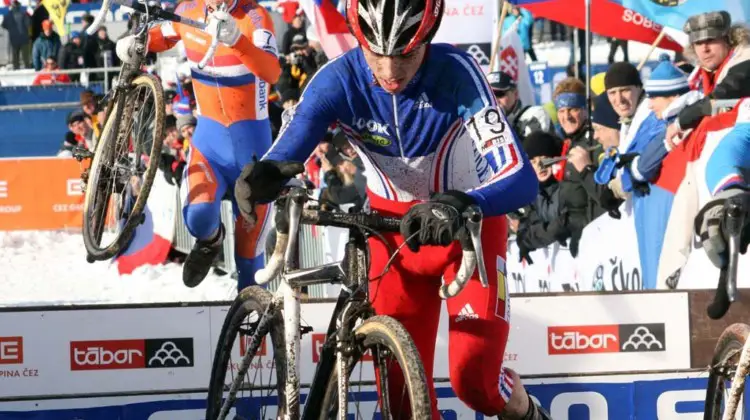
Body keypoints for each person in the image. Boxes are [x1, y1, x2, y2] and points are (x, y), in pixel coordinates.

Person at [234, 0, 547, 418]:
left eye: (405, 54)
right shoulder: (338, 80)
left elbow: (521, 178)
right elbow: (286, 151)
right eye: (375, 54)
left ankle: (527, 410)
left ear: (427, 41)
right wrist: (261, 177)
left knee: (476, 384)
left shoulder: (457, 74)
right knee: (401, 403)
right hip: (391, 235)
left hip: (465, 230)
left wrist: (465, 203)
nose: (389, 71)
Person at [115, 0, 281, 289]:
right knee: (198, 218)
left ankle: (252, 329)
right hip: (209, 146)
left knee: (249, 267)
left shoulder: (255, 16)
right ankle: (211, 241)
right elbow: (164, 35)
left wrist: (237, 41)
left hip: (254, 155)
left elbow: (272, 72)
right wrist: (136, 42)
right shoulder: (187, 11)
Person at [666, 11, 750, 143]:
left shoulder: (745, 59)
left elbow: (721, 98)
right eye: (698, 43)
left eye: (710, 40)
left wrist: (682, 121)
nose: (705, 49)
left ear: (728, 39)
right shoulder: (704, 74)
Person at [487, 70, 553, 139]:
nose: (494, 100)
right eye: (488, 95)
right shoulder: (480, 122)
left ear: (515, 94)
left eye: (499, 94)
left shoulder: (534, 115)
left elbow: (536, 148)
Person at [2, 0, 31, 69]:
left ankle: (16, 70)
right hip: (24, 38)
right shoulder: (24, 14)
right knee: (26, 58)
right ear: (19, 6)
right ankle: (27, 70)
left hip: (14, 38)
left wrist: (11, 30)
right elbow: (29, 24)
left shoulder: (8, 15)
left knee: (15, 58)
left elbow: (3, 25)